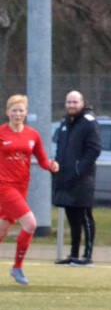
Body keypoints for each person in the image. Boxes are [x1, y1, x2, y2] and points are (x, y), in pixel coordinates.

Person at [0, 94, 59, 284]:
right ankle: (17, 267)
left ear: (26, 113)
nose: (18, 114)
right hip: (4, 187)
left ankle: (17, 267)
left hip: (21, 187)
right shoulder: (1, 133)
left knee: (2, 229)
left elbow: (42, 160)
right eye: (14, 110)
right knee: (31, 224)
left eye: (21, 110)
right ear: (7, 112)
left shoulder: (32, 135)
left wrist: (51, 166)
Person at [52, 90, 102, 266]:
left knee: (85, 217)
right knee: (72, 218)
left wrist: (79, 169)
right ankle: (73, 255)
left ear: (82, 103)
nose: (71, 105)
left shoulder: (89, 122)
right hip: (66, 178)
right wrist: (57, 167)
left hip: (82, 180)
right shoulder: (65, 123)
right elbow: (60, 148)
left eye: (75, 102)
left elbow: (94, 149)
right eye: (69, 102)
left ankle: (87, 256)